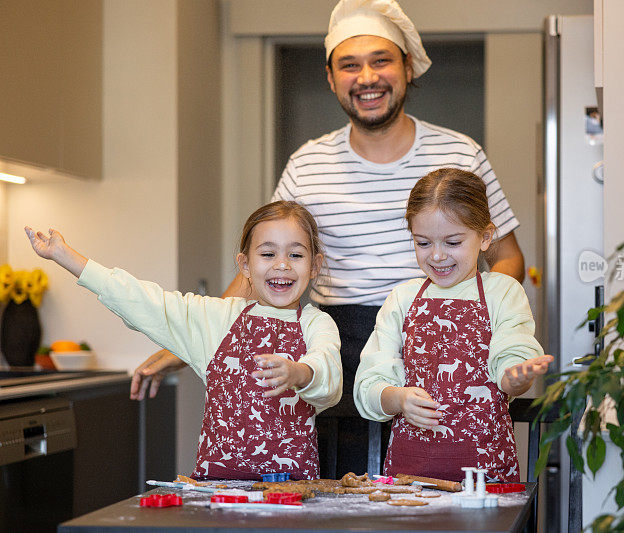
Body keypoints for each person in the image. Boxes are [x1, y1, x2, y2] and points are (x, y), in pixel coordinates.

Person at [131, 0, 526, 475]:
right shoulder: (306, 163)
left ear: (407, 67)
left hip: (433, 337)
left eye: (381, 60)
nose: (367, 77)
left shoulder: (461, 152)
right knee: (333, 492)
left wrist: (485, 329)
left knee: (430, 492)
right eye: (349, 65)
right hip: (327, 342)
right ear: (330, 77)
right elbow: (266, 267)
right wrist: (190, 339)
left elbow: (506, 258)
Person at [25, 201, 342, 480]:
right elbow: (145, 301)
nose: (282, 264)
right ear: (245, 264)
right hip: (217, 490)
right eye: (268, 253)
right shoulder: (217, 318)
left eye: (296, 254)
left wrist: (301, 373)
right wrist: (66, 257)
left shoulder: (317, 323)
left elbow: (328, 377)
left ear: (314, 265)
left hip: (293, 490)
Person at [354, 168, 553, 482]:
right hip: (410, 480)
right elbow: (369, 384)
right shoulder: (402, 298)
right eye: (422, 242)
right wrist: (398, 398)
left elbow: (512, 356)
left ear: (485, 237)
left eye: (452, 242)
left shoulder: (502, 292)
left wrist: (516, 377)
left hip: (487, 482)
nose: (437, 255)